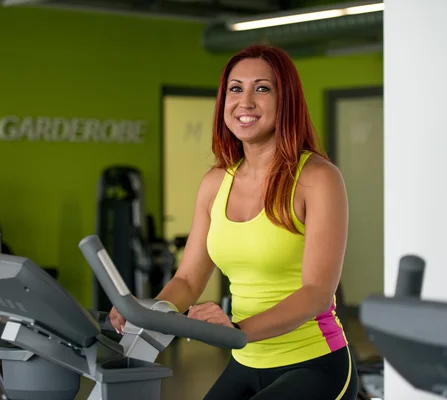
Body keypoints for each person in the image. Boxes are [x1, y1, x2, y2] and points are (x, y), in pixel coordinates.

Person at [109, 44, 358, 399]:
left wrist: (235, 329)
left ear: (286, 99)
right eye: (235, 88)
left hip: (315, 363)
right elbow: (188, 278)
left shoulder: (317, 178)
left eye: (262, 88)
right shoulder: (215, 183)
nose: (246, 102)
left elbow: (317, 293)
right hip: (246, 361)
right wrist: (149, 313)